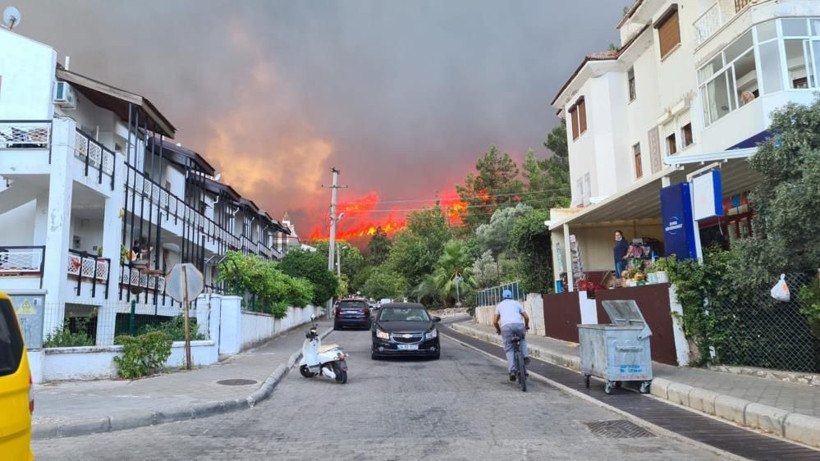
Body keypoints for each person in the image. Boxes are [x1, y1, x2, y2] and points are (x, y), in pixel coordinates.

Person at [493, 289, 530, 382]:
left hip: (506, 327)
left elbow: (495, 321)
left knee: (509, 348)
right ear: (512, 296)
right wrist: (526, 325)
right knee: (522, 340)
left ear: (503, 297)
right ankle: (525, 356)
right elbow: (526, 317)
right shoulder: (517, 303)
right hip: (518, 325)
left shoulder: (499, 305)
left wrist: (498, 329)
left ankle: (512, 370)